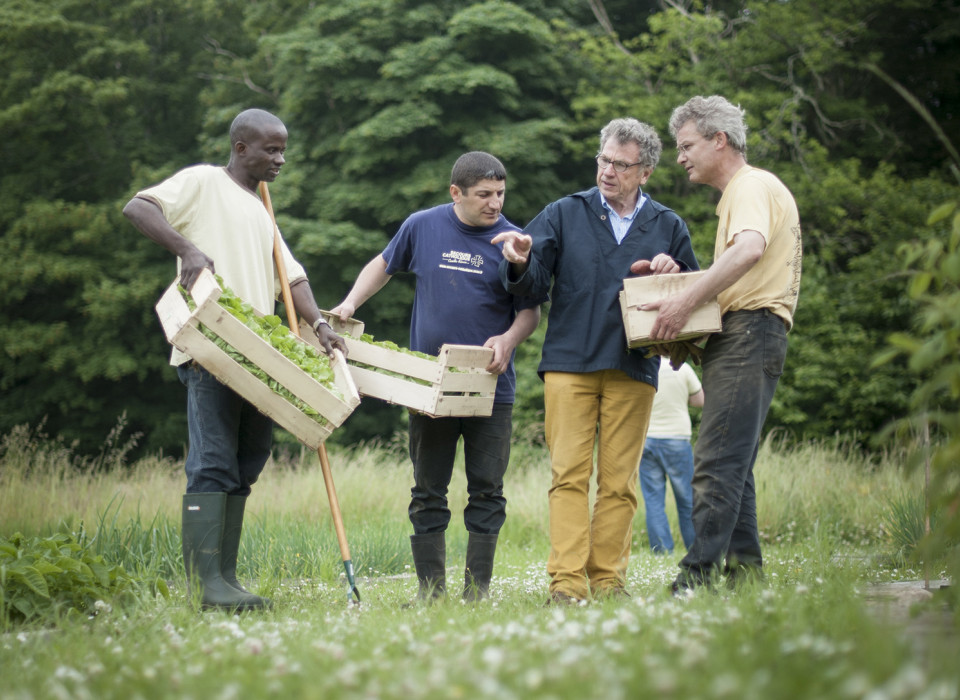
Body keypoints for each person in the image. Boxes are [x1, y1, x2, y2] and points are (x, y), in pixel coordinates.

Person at [123, 108, 346, 611]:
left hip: (260, 360)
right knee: (213, 464)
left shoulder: (262, 206)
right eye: (270, 149)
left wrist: (322, 325)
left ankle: (225, 578)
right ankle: (206, 587)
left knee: (247, 463)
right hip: (212, 349)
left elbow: (292, 280)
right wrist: (189, 250)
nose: (280, 159)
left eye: (283, 149)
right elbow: (138, 207)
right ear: (241, 147)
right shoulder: (205, 182)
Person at [494, 118, 699, 603]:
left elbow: (694, 296)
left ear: (645, 172)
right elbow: (532, 282)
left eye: (620, 165)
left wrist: (675, 269)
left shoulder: (668, 225)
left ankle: (607, 582)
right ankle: (566, 585)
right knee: (568, 476)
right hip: (569, 363)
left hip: (634, 366)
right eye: (603, 160)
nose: (607, 171)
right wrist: (521, 259)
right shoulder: (564, 213)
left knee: (620, 483)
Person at [331, 152, 543, 602]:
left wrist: (507, 340)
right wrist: (350, 304)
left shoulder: (515, 240)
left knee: (487, 490)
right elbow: (383, 265)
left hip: (492, 387)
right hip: (431, 385)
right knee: (428, 490)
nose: (494, 204)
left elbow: (530, 312)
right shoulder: (422, 226)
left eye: (500, 194)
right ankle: (431, 594)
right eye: (484, 195)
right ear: (456, 193)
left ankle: (476, 594)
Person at [643, 95, 802, 593]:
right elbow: (734, 272)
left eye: (686, 145)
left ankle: (694, 580)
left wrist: (682, 302)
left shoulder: (748, 186)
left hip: (750, 332)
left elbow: (749, 250)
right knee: (737, 464)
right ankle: (746, 576)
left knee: (714, 461)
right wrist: (685, 283)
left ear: (720, 139)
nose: (680, 156)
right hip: (748, 332)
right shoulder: (748, 190)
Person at [638, 356, 704, 554]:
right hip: (676, 438)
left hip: (647, 438)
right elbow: (699, 400)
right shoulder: (682, 368)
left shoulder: (644, 367)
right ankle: (695, 549)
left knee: (653, 500)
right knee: (687, 499)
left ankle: (661, 551)